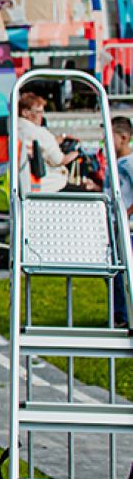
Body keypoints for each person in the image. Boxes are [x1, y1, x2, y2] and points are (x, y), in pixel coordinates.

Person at [17, 92, 78, 193]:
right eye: (39, 112)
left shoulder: (11, 129)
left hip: (16, 184)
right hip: (43, 186)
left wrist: (56, 140)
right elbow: (59, 160)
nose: (42, 116)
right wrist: (77, 153)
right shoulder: (38, 132)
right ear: (25, 112)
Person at [111, 116, 132, 327]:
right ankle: (118, 315)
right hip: (114, 227)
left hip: (128, 229)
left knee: (126, 272)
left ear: (124, 137)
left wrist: (126, 213)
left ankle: (126, 317)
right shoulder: (115, 162)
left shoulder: (130, 163)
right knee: (115, 272)